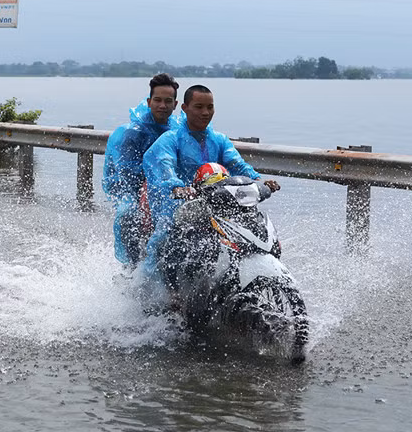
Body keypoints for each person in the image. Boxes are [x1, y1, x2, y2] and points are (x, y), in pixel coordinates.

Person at [141, 84, 279, 288]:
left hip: (219, 203)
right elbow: (164, 164)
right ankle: (166, 293)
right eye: (199, 107)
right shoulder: (171, 139)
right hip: (181, 207)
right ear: (185, 108)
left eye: (210, 107)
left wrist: (257, 180)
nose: (205, 113)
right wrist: (177, 187)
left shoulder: (219, 140)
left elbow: (236, 164)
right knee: (165, 241)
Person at [102, 73, 182, 265]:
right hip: (129, 187)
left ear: (175, 104)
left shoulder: (178, 129)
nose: (162, 106)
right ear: (149, 101)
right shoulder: (133, 133)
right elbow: (127, 172)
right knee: (128, 213)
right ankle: (131, 265)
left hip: (166, 185)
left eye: (167, 101)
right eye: (158, 100)